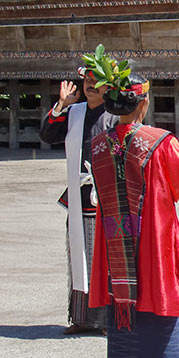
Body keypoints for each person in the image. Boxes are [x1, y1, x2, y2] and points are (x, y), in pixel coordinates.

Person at [89, 69, 179, 358]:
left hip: (114, 234)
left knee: (122, 293)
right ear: (143, 103)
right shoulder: (161, 142)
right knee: (157, 289)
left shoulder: (97, 145)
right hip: (153, 234)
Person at [40, 52, 119, 336]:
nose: (91, 85)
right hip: (79, 194)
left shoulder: (115, 116)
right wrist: (61, 104)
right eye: (87, 79)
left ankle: (107, 320)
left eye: (97, 80)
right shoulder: (73, 112)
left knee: (106, 259)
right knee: (79, 256)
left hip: (106, 198)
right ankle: (82, 318)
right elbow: (47, 136)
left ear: (108, 86)